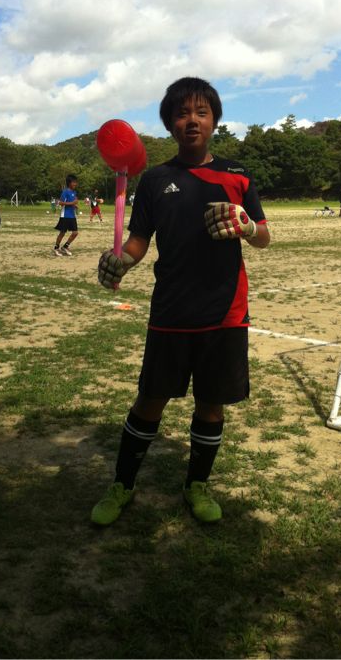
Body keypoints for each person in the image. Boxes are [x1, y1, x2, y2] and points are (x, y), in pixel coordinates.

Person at [91, 76, 270, 526]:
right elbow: (138, 240)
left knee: (211, 404)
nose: (192, 120)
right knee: (150, 400)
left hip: (225, 311)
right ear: (170, 123)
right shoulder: (155, 180)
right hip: (171, 310)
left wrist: (246, 225)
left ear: (214, 121)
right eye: (182, 113)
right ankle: (122, 484)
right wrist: (120, 260)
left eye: (201, 112)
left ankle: (197, 485)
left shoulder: (238, 175)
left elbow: (263, 235)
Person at [53, 174, 79, 256]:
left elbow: (72, 203)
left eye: (76, 182)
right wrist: (72, 203)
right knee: (62, 233)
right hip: (65, 216)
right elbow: (60, 203)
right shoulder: (65, 192)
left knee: (75, 233)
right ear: (69, 183)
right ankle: (56, 248)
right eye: (73, 182)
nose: (75, 184)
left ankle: (65, 247)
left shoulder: (74, 192)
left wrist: (75, 206)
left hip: (72, 216)